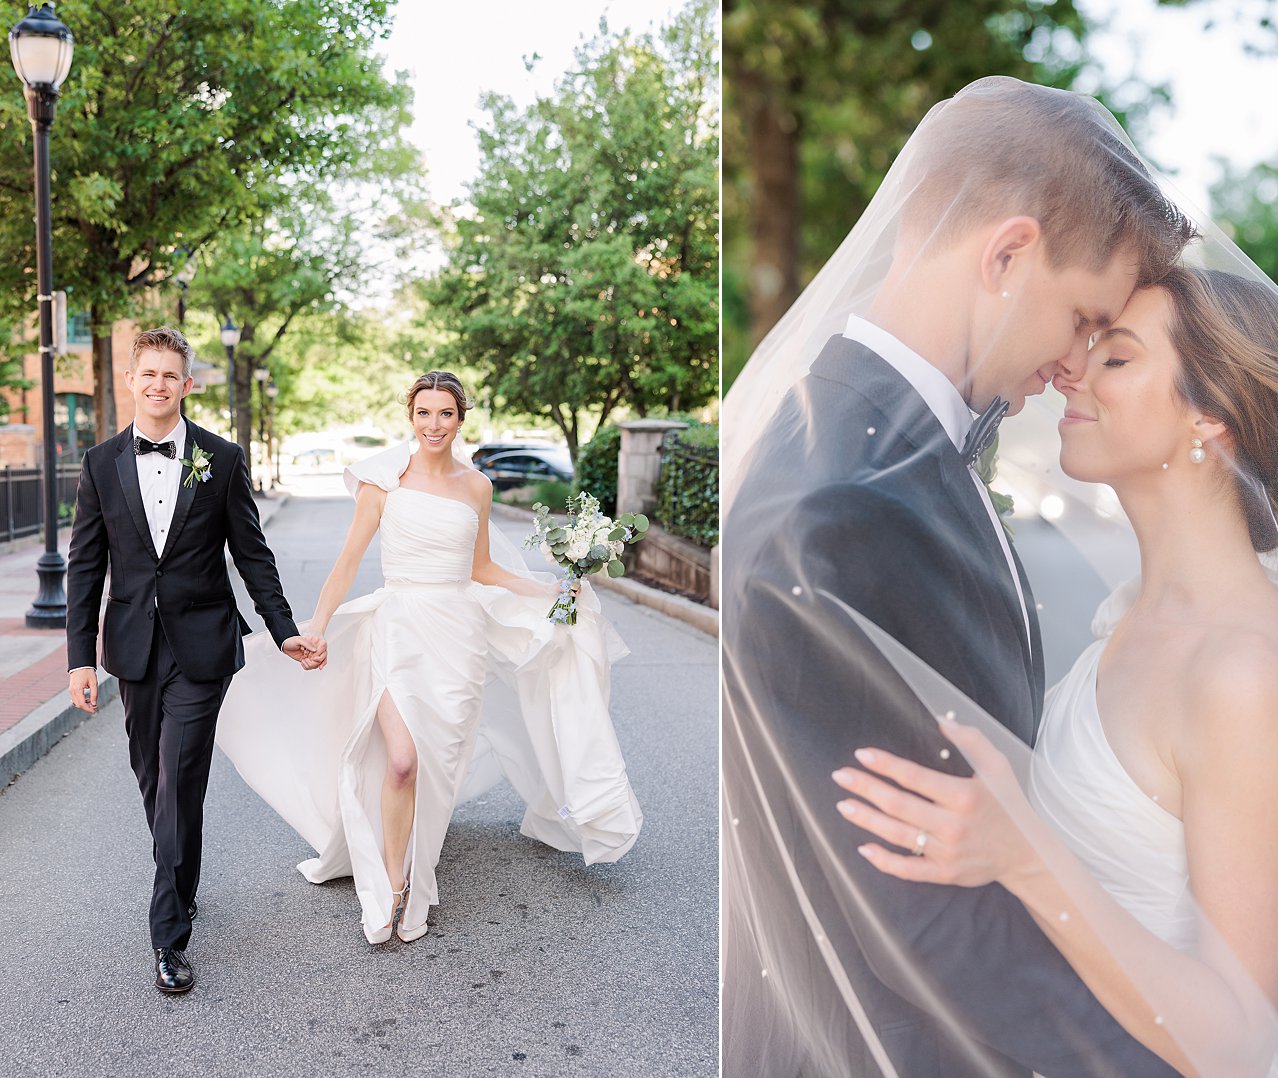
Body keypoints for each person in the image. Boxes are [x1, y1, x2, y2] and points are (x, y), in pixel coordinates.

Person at [722, 77, 1196, 1076]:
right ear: (1008, 254)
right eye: (1083, 317)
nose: (1078, 364)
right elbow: (922, 920)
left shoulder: (883, 453)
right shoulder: (838, 507)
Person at [835, 267, 1278, 1075]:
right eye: (1086, 346)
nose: (1071, 370)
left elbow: (1240, 1040)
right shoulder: (1137, 612)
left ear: (1212, 419)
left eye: (1117, 358)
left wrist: (1025, 856)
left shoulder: (1244, 678)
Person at [216, 371, 642, 945]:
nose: (434, 424)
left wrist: (551, 591)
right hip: (398, 629)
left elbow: (482, 568)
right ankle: (396, 883)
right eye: (424, 413)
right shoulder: (384, 482)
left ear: (460, 419)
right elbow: (346, 563)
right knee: (400, 761)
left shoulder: (478, 487)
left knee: (436, 769)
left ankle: (419, 863)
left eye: (445, 414)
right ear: (410, 417)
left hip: (459, 638)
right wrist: (315, 626)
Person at [65, 326, 322, 995]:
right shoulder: (99, 464)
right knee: (152, 775)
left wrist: (284, 628)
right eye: (147, 374)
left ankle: (168, 936)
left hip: (204, 645)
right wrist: (79, 660)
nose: (158, 386)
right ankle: (180, 878)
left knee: (179, 777)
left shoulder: (222, 458)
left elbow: (252, 554)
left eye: (170, 376)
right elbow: (85, 568)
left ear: (187, 383)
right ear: (130, 380)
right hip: (132, 648)